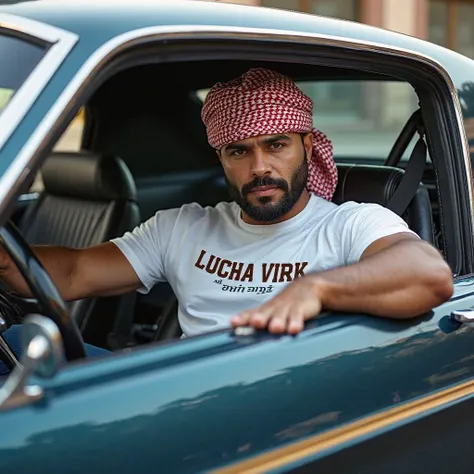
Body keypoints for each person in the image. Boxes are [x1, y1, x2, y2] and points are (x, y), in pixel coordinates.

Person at [0, 68, 453, 360]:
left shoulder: (348, 223)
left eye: (276, 145)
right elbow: (73, 271)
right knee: (18, 345)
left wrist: (318, 288)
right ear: (219, 157)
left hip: (279, 405)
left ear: (308, 145)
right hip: (177, 389)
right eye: (239, 151)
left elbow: (427, 274)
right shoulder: (184, 226)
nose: (259, 168)